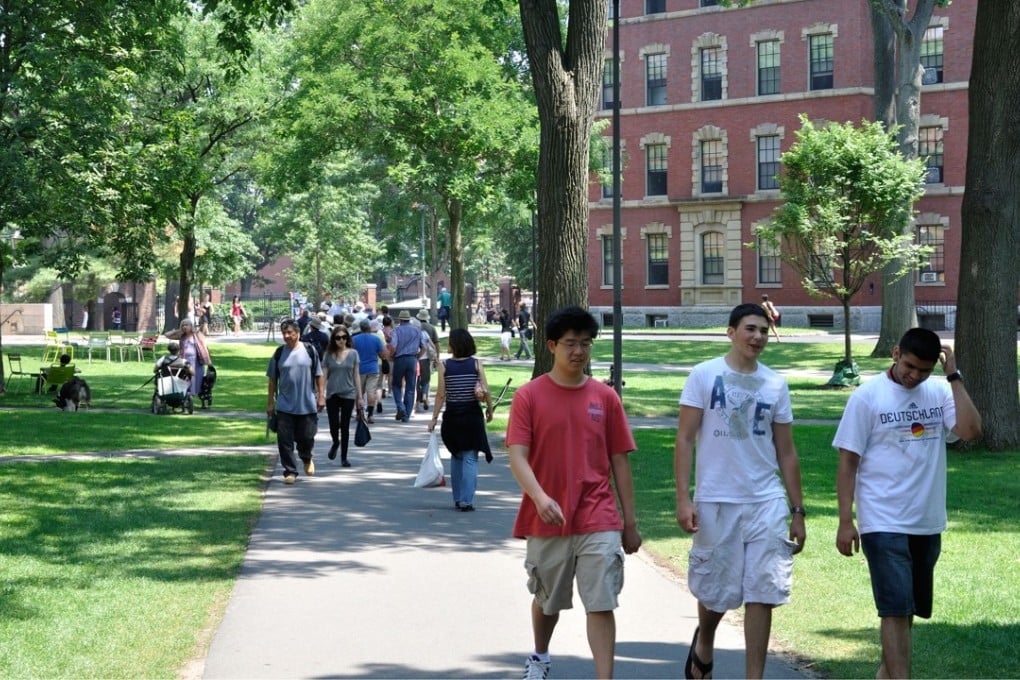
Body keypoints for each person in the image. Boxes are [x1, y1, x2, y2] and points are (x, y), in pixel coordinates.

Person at [834, 328, 981, 679]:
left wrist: (954, 375)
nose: (915, 375)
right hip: (882, 520)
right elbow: (847, 462)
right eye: (910, 366)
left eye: (924, 370)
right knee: (895, 610)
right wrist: (845, 520)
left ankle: (887, 674)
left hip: (926, 521)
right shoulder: (867, 397)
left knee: (906, 610)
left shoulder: (940, 391)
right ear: (896, 353)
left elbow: (971, 430)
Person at [506, 305, 642, 680]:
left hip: (598, 514)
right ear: (551, 345)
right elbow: (517, 455)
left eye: (585, 343)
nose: (578, 351)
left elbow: (620, 462)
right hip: (547, 516)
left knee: (601, 602)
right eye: (570, 343)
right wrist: (539, 496)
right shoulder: (529, 396)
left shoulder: (605, 397)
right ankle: (540, 654)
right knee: (548, 601)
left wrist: (629, 522)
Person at [673, 302, 806, 680]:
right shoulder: (703, 375)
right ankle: (706, 640)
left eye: (763, 331)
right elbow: (684, 439)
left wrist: (798, 510)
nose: (758, 337)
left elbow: (787, 451)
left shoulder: (775, 383)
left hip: (766, 500)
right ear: (731, 332)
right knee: (717, 592)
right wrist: (684, 499)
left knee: (763, 591)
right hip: (716, 498)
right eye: (750, 329)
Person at [429, 328, 494, 512]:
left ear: (455, 344)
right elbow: (485, 391)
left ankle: (457, 498)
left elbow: (441, 395)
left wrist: (434, 418)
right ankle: (466, 500)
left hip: (453, 417)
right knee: (470, 458)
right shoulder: (476, 364)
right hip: (472, 416)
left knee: (456, 456)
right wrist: (489, 410)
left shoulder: (444, 366)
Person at [266, 319, 325, 484]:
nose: (286, 336)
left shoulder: (309, 350)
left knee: (306, 437)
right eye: (284, 333)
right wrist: (270, 403)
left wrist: (321, 395)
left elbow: (319, 375)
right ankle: (290, 471)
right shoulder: (279, 354)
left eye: (290, 333)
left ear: (297, 333)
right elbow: (272, 380)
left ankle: (306, 458)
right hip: (285, 405)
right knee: (284, 441)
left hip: (306, 404)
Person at [322, 324, 363, 467]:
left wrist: (360, 397)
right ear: (334, 339)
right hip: (332, 393)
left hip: (348, 393)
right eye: (338, 338)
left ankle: (344, 457)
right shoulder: (328, 355)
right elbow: (324, 375)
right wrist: (321, 393)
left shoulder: (353, 354)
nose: (341, 340)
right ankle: (335, 442)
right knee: (334, 424)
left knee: (345, 426)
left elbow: (356, 375)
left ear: (347, 338)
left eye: (344, 337)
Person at [388, 309, 426, 422]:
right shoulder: (417, 331)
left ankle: (400, 407)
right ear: (409, 319)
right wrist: (417, 356)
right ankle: (406, 416)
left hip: (400, 359)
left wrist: (391, 355)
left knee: (396, 384)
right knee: (410, 387)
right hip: (412, 359)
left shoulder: (396, 330)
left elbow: (393, 345)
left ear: (399, 319)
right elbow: (424, 347)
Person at [165, 319, 210, 399]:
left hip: (197, 362)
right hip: (185, 362)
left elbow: (204, 347)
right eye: (183, 325)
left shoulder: (197, 334)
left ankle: (200, 397)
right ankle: (188, 397)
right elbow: (167, 335)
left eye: (186, 325)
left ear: (191, 326)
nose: (184, 327)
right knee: (186, 379)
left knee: (198, 381)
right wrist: (179, 330)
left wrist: (208, 360)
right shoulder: (182, 336)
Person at [353, 319, 386, 423]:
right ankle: (370, 415)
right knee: (371, 391)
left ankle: (359, 413)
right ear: (369, 327)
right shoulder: (375, 339)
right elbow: (382, 354)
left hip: (359, 369)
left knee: (359, 392)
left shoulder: (354, 339)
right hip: (373, 368)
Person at [416, 308, 439, 411]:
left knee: (417, 380)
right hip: (426, 358)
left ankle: (418, 400)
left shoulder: (415, 328)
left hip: (416, 358)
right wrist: (436, 357)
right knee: (426, 380)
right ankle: (425, 395)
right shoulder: (431, 328)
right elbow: (436, 344)